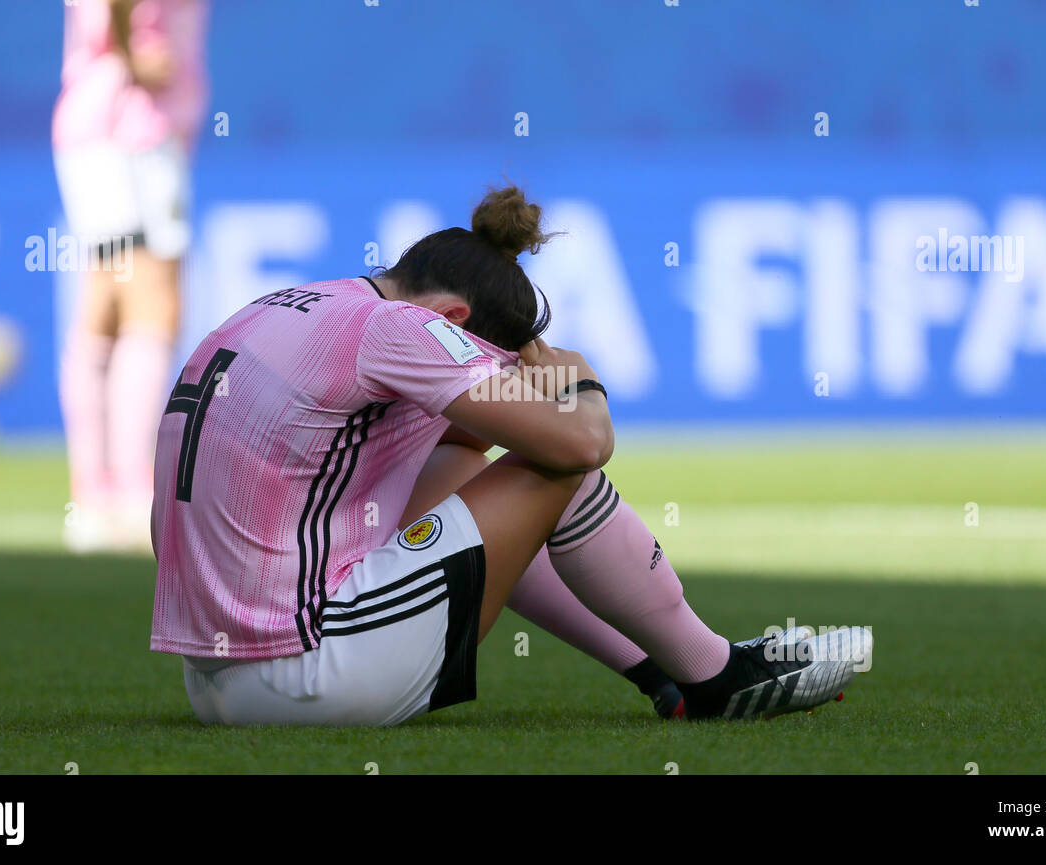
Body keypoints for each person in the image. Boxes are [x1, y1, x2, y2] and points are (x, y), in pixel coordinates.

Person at [150, 186, 872, 726]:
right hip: (310, 677)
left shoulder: (291, 304)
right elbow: (581, 442)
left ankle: (666, 673)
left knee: (458, 468)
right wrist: (581, 379)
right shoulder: (403, 329)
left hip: (214, 682)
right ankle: (714, 672)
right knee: (557, 463)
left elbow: (451, 456)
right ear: (455, 320)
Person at [53, 0, 208, 551]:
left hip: (111, 123)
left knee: (106, 304)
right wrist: (130, 56)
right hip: (132, 128)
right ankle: (126, 492)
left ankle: (97, 495)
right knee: (151, 303)